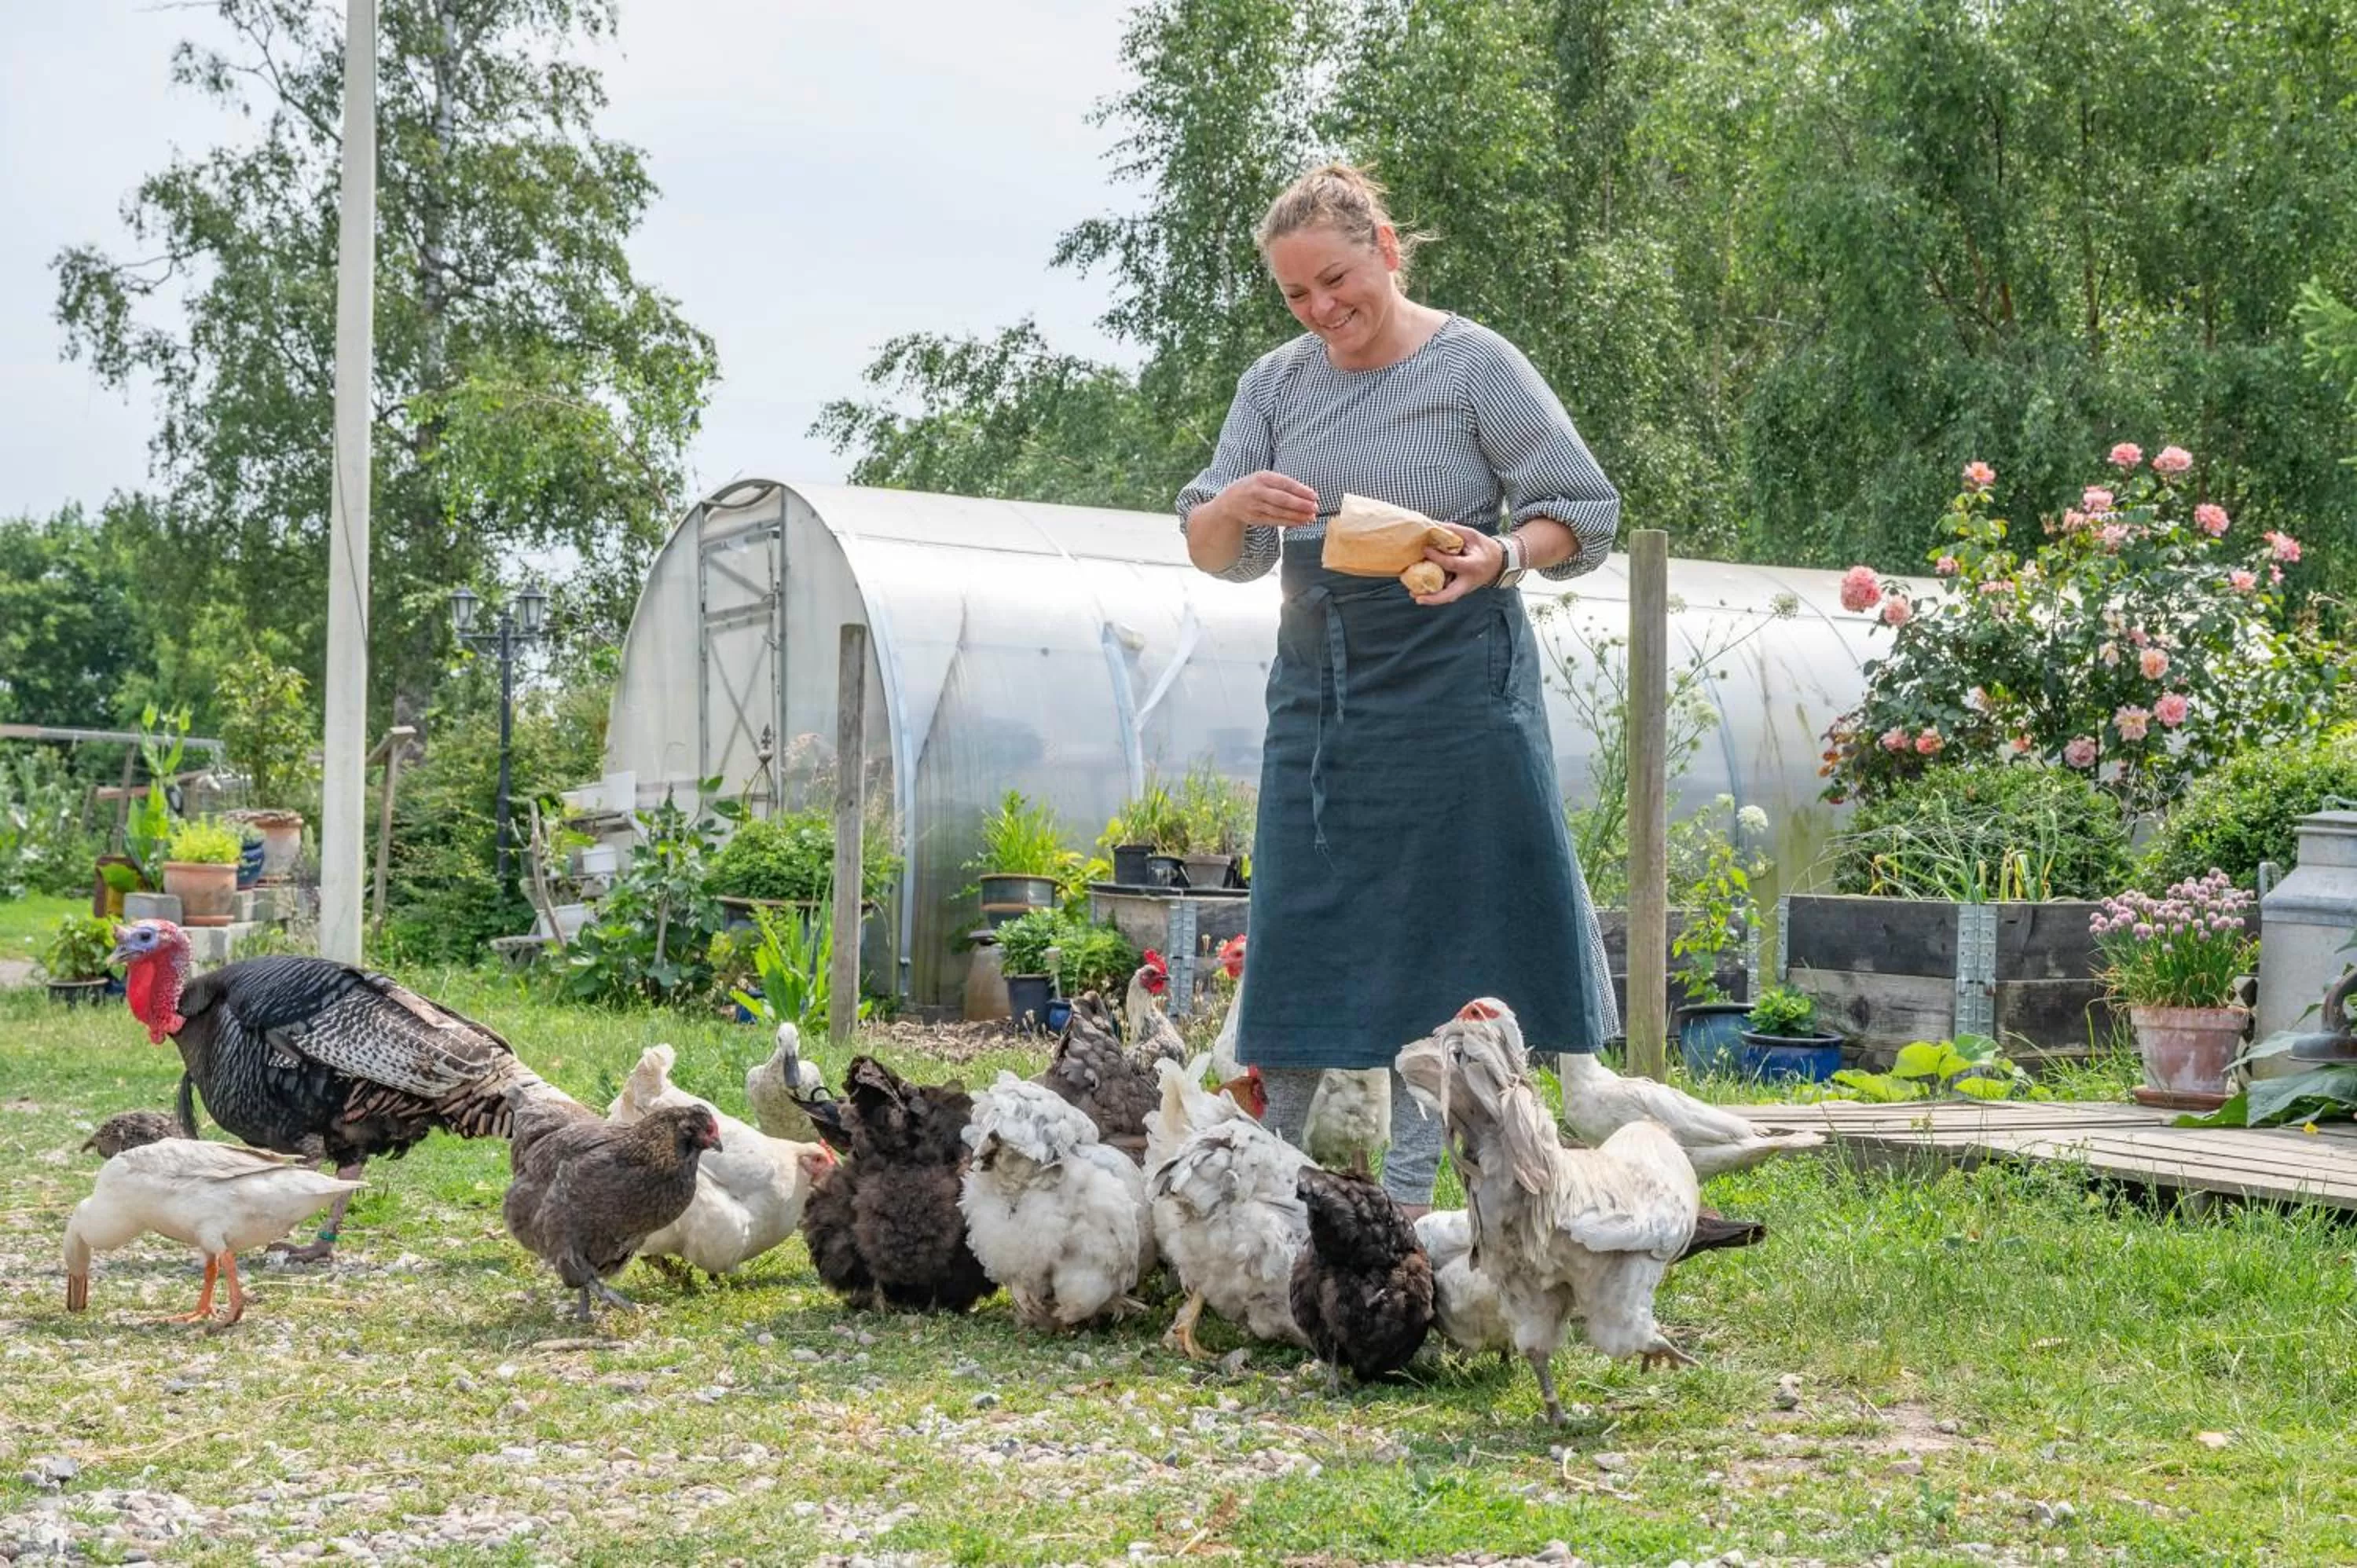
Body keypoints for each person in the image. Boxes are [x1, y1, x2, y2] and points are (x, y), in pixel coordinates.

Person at [1175, 163, 1620, 1217]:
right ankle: (1253, 1200)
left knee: (1451, 934)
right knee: (1302, 918)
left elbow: (1582, 510)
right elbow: (1210, 546)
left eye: (1336, 279)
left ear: (1386, 246)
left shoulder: (1476, 366)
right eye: (1297, 295)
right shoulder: (1276, 385)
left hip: (1457, 672)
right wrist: (1235, 501)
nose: (1323, 310)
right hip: (1322, 683)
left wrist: (1502, 554)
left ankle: (1426, 1213)